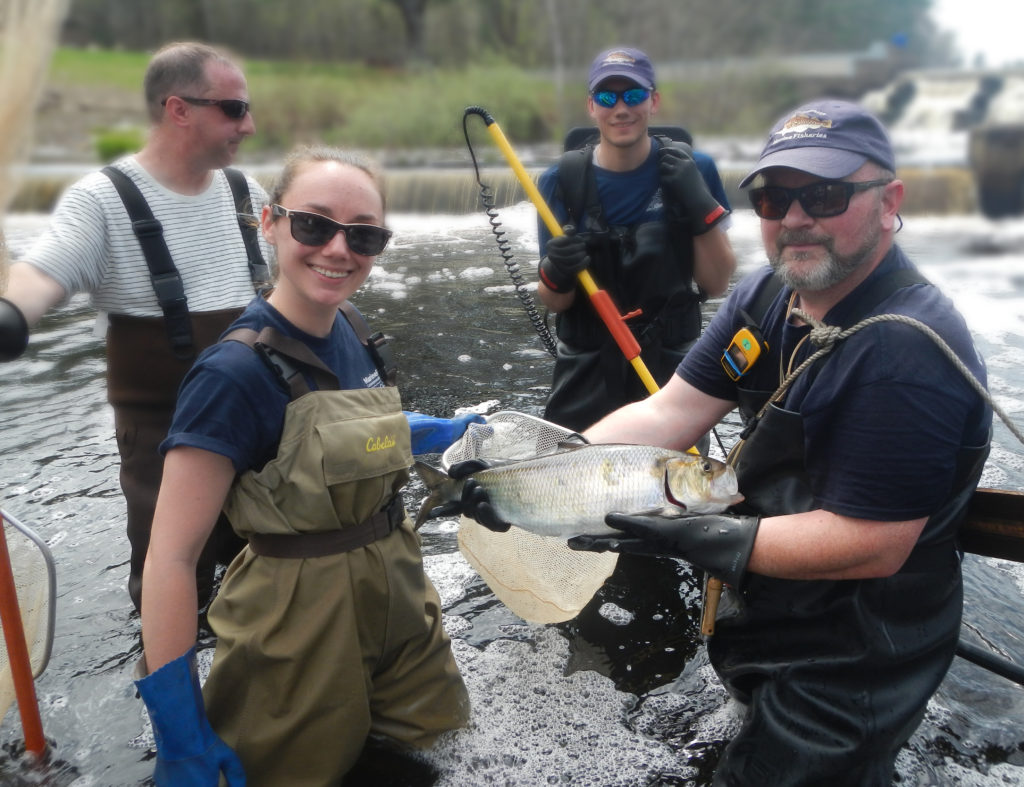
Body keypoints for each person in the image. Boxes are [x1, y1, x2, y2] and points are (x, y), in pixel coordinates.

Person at [467, 99, 993, 784]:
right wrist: (545, 472)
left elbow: (876, 541)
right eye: (774, 198)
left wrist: (708, 538)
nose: (795, 217)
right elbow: (668, 412)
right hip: (770, 606)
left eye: (824, 194)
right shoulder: (769, 295)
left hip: (854, 654)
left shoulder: (908, 349)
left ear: (888, 199)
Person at [135, 146, 472, 785]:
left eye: (364, 233)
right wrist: (178, 728)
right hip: (297, 627)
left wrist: (432, 433)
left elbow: (343, 439)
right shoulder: (230, 375)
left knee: (439, 751)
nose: (339, 249)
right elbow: (171, 559)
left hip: (399, 597)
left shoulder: (351, 322)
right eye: (314, 225)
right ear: (269, 223)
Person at [0, 41, 269, 612]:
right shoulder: (101, 201)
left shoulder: (246, 194)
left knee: (273, 576)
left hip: (262, 427)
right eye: (234, 108)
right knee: (173, 592)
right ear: (179, 109)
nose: (249, 125)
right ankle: (169, 694)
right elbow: (43, 271)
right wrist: (10, 315)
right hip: (163, 441)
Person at [535, 46, 737, 434]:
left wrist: (698, 205)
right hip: (587, 372)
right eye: (607, 97)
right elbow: (554, 300)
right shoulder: (559, 180)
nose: (621, 108)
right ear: (591, 106)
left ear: (654, 101)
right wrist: (556, 270)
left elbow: (716, 283)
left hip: (670, 378)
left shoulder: (697, 169)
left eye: (634, 95)